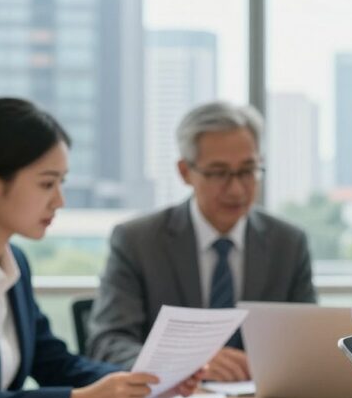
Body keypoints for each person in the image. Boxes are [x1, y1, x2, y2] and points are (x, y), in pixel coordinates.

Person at [0, 98, 201, 398]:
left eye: (62, 182)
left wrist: (144, 382)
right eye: (47, 183)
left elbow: (53, 362)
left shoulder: (15, 264)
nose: (59, 200)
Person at [87, 102, 316, 380]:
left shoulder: (288, 244)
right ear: (185, 172)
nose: (236, 189)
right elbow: (108, 343)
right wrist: (187, 363)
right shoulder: (138, 242)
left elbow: (307, 344)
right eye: (219, 173)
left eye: (247, 171)